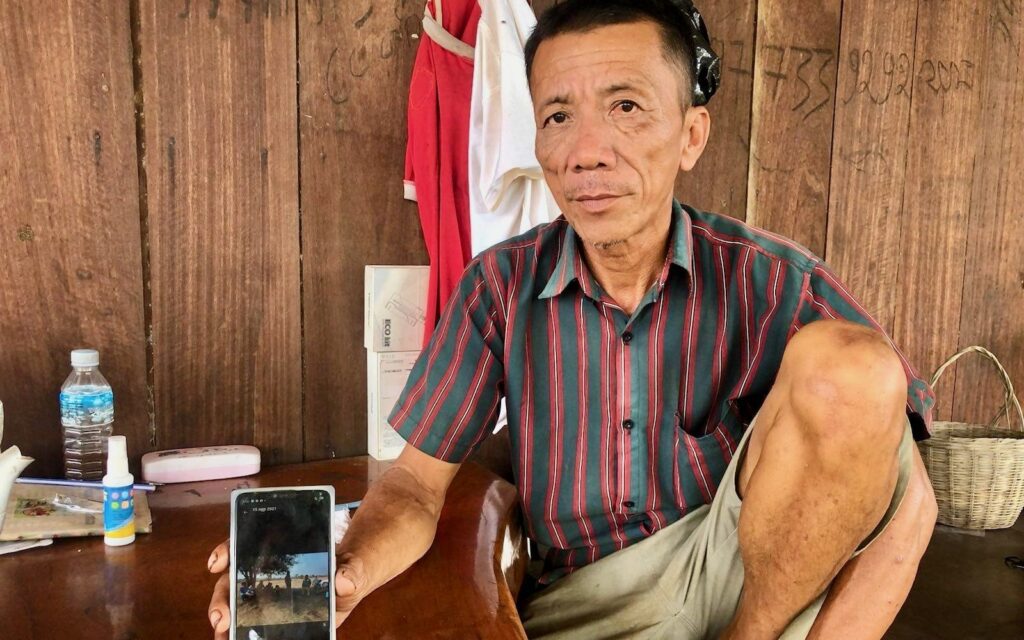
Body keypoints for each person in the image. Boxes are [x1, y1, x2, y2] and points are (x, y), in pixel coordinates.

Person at [207, 1, 938, 637]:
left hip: (746, 580)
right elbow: (413, 486)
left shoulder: (772, 280)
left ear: (690, 135)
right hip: (579, 604)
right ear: (537, 142)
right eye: (559, 115)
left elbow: (905, 495)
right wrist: (345, 574)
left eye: (626, 107)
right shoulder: (499, 286)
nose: (587, 152)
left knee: (858, 369)